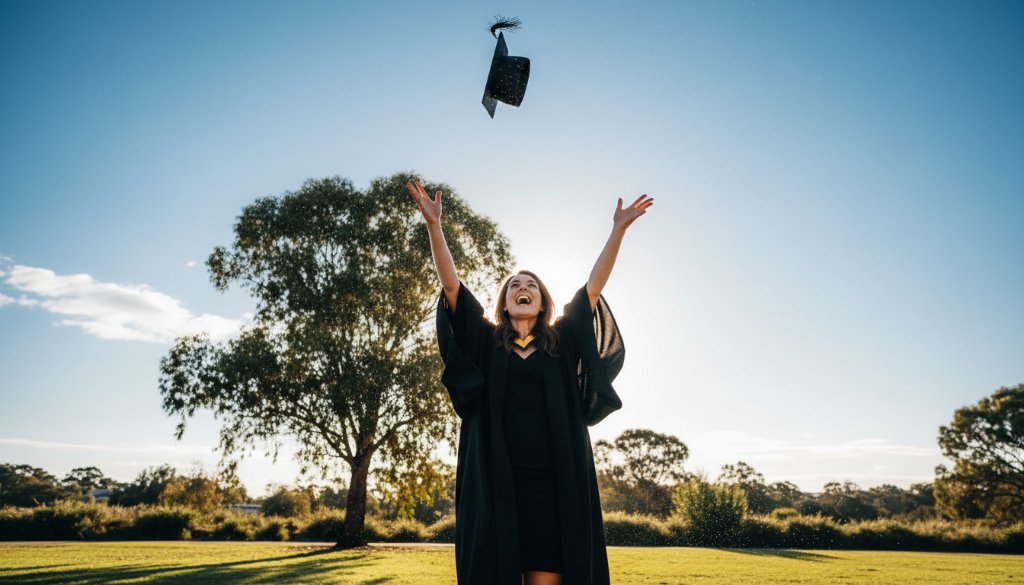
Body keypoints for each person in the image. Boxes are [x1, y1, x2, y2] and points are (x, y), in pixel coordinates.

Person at [408, 180, 653, 585]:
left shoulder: (562, 340)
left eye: (532, 286)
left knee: (549, 577)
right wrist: (435, 227)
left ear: (543, 302)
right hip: (496, 484)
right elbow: (451, 287)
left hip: (554, 487)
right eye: (515, 286)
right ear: (504, 302)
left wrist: (618, 231)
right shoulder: (487, 343)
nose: (524, 289)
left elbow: (592, 287)